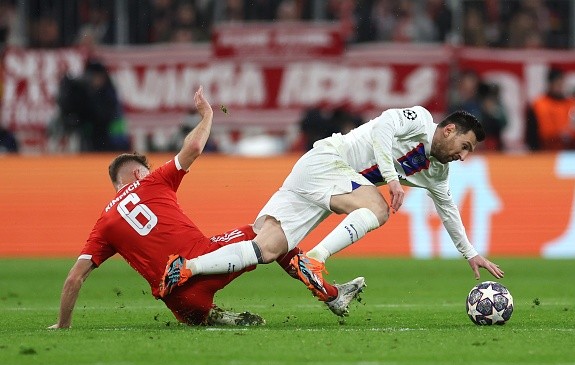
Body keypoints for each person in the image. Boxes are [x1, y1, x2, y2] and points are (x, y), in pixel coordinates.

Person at [49, 87, 364, 329]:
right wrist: (207, 115)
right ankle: (332, 295)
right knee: (269, 234)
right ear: (135, 174)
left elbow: (75, 278)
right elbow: (195, 147)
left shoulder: (104, 223)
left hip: (180, 304)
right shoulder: (151, 182)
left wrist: (63, 324)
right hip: (201, 262)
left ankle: (213, 315)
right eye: (146, 169)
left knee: (189, 308)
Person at [160, 106, 505, 305]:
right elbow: (383, 128)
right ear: (448, 130)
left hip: (321, 178)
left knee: (267, 248)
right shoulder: (419, 119)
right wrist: (393, 178)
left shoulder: (438, 171)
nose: (463, 156)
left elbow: (448, 209)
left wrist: (470, 252)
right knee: (379, 208)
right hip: (329, 160)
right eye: (465, 146)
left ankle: (188, 267)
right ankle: (315, 260)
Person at [526, 68, 575, 151]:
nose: (560, 87)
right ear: (550, 84)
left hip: (571, 152)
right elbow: (531, 134)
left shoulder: (573, 103)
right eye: (557, 83)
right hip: (546, 152)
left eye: (562, 83)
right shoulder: (539, 104)